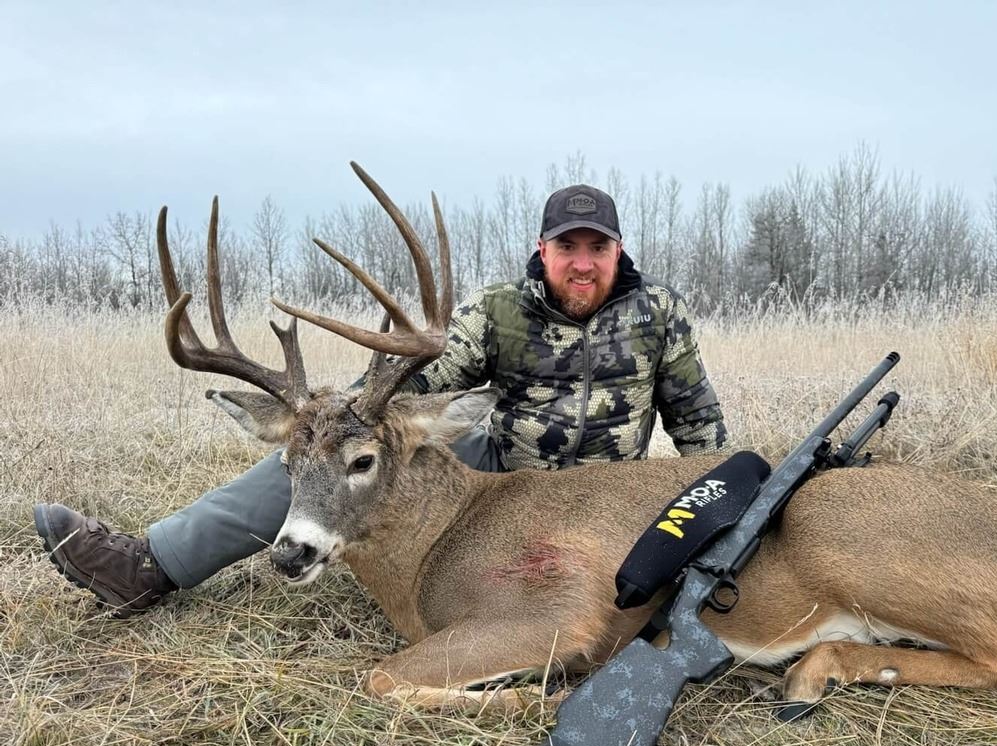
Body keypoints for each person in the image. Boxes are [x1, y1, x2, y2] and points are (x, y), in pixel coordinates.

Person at [34, 184, 727, 616]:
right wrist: (334, 418)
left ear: (617, 250)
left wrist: (731, 505)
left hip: (604, 495)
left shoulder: (657, 313)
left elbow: (696, 420)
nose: (582, 262)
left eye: (596, 247)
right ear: (541, 250)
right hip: (498, 472)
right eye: (566, 246)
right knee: (330, 444)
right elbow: (420, 381)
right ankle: (152, 564)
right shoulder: (499, 311)